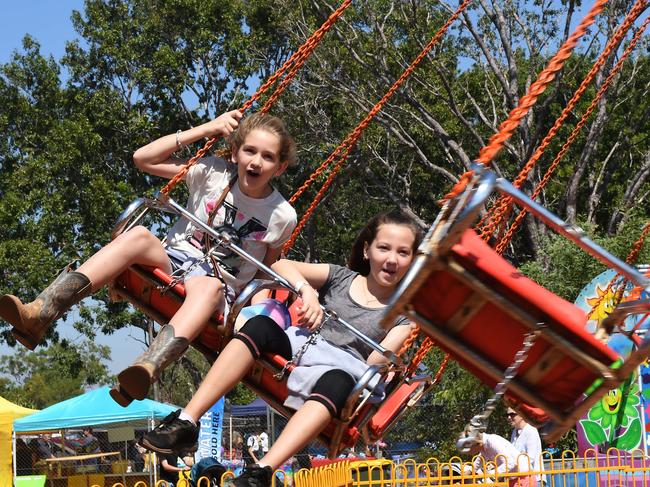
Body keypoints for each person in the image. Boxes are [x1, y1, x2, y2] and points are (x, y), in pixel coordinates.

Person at [0, 111, 298, 405]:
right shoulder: (212, 172)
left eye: (268, 157)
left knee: (209, 288)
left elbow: (267, 269)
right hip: (174, 259)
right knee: (140, 235)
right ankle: (40, 313)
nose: (256, 161)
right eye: (250, 150)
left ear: (280, 167)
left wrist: (252, 312)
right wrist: (207, 128)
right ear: (235, 152)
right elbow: (144, 159)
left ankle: (146, 368)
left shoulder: (282, 215)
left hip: (218, 286)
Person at [137, 209, 423, 487]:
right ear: (366, 251)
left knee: (340, 383)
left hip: (343, 368)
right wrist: (306, 290)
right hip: (303, 344)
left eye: (403, 253)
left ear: (412, 260)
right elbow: (281, 266)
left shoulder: (403, 315)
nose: (392, 260)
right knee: (260, 326)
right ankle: (187, 421)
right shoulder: (340, 277)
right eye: (384, 248)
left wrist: (401, 339)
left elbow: (375, 359)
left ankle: (261, 471)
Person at [461, 431, 534, 487]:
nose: (468, 453)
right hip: (514, 479)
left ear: (475, 443)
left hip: (524, 478)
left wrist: (491, 474)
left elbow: (511, 462)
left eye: (468, 449)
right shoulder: (484, 447)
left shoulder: (492, 441)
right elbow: (480, 460)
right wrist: (470, 471)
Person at [508, 408, 544, 484]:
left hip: (534, 479)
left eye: (512, 414)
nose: (509, 417)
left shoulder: (531, 430)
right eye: (507, 415)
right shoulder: (514, 432)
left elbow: (530, 458)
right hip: (520, 479)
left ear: (521, 415)